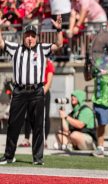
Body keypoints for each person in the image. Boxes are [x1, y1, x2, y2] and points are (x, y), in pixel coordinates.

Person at [0, 16, 63, 165]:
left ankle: (38, 158)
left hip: (36, 91)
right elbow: (1, 43)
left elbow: (59, 44)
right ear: (23, 37)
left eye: (32, 36)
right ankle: (9, 156)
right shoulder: (16, 48)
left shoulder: (42, 48)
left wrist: (59, 29)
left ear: (36, 38)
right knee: (14, 124)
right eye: (27, 36)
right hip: (20, 91)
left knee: (37, 125)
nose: (30, 39)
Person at [19, 58, 55, 148]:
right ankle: (26, 139)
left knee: (45, 116)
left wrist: (42, 92)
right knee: (29, 115)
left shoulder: (49, 64)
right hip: (32, 90)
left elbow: (49, 81)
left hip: (44, 91)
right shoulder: (34, 61)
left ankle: (44, 140)